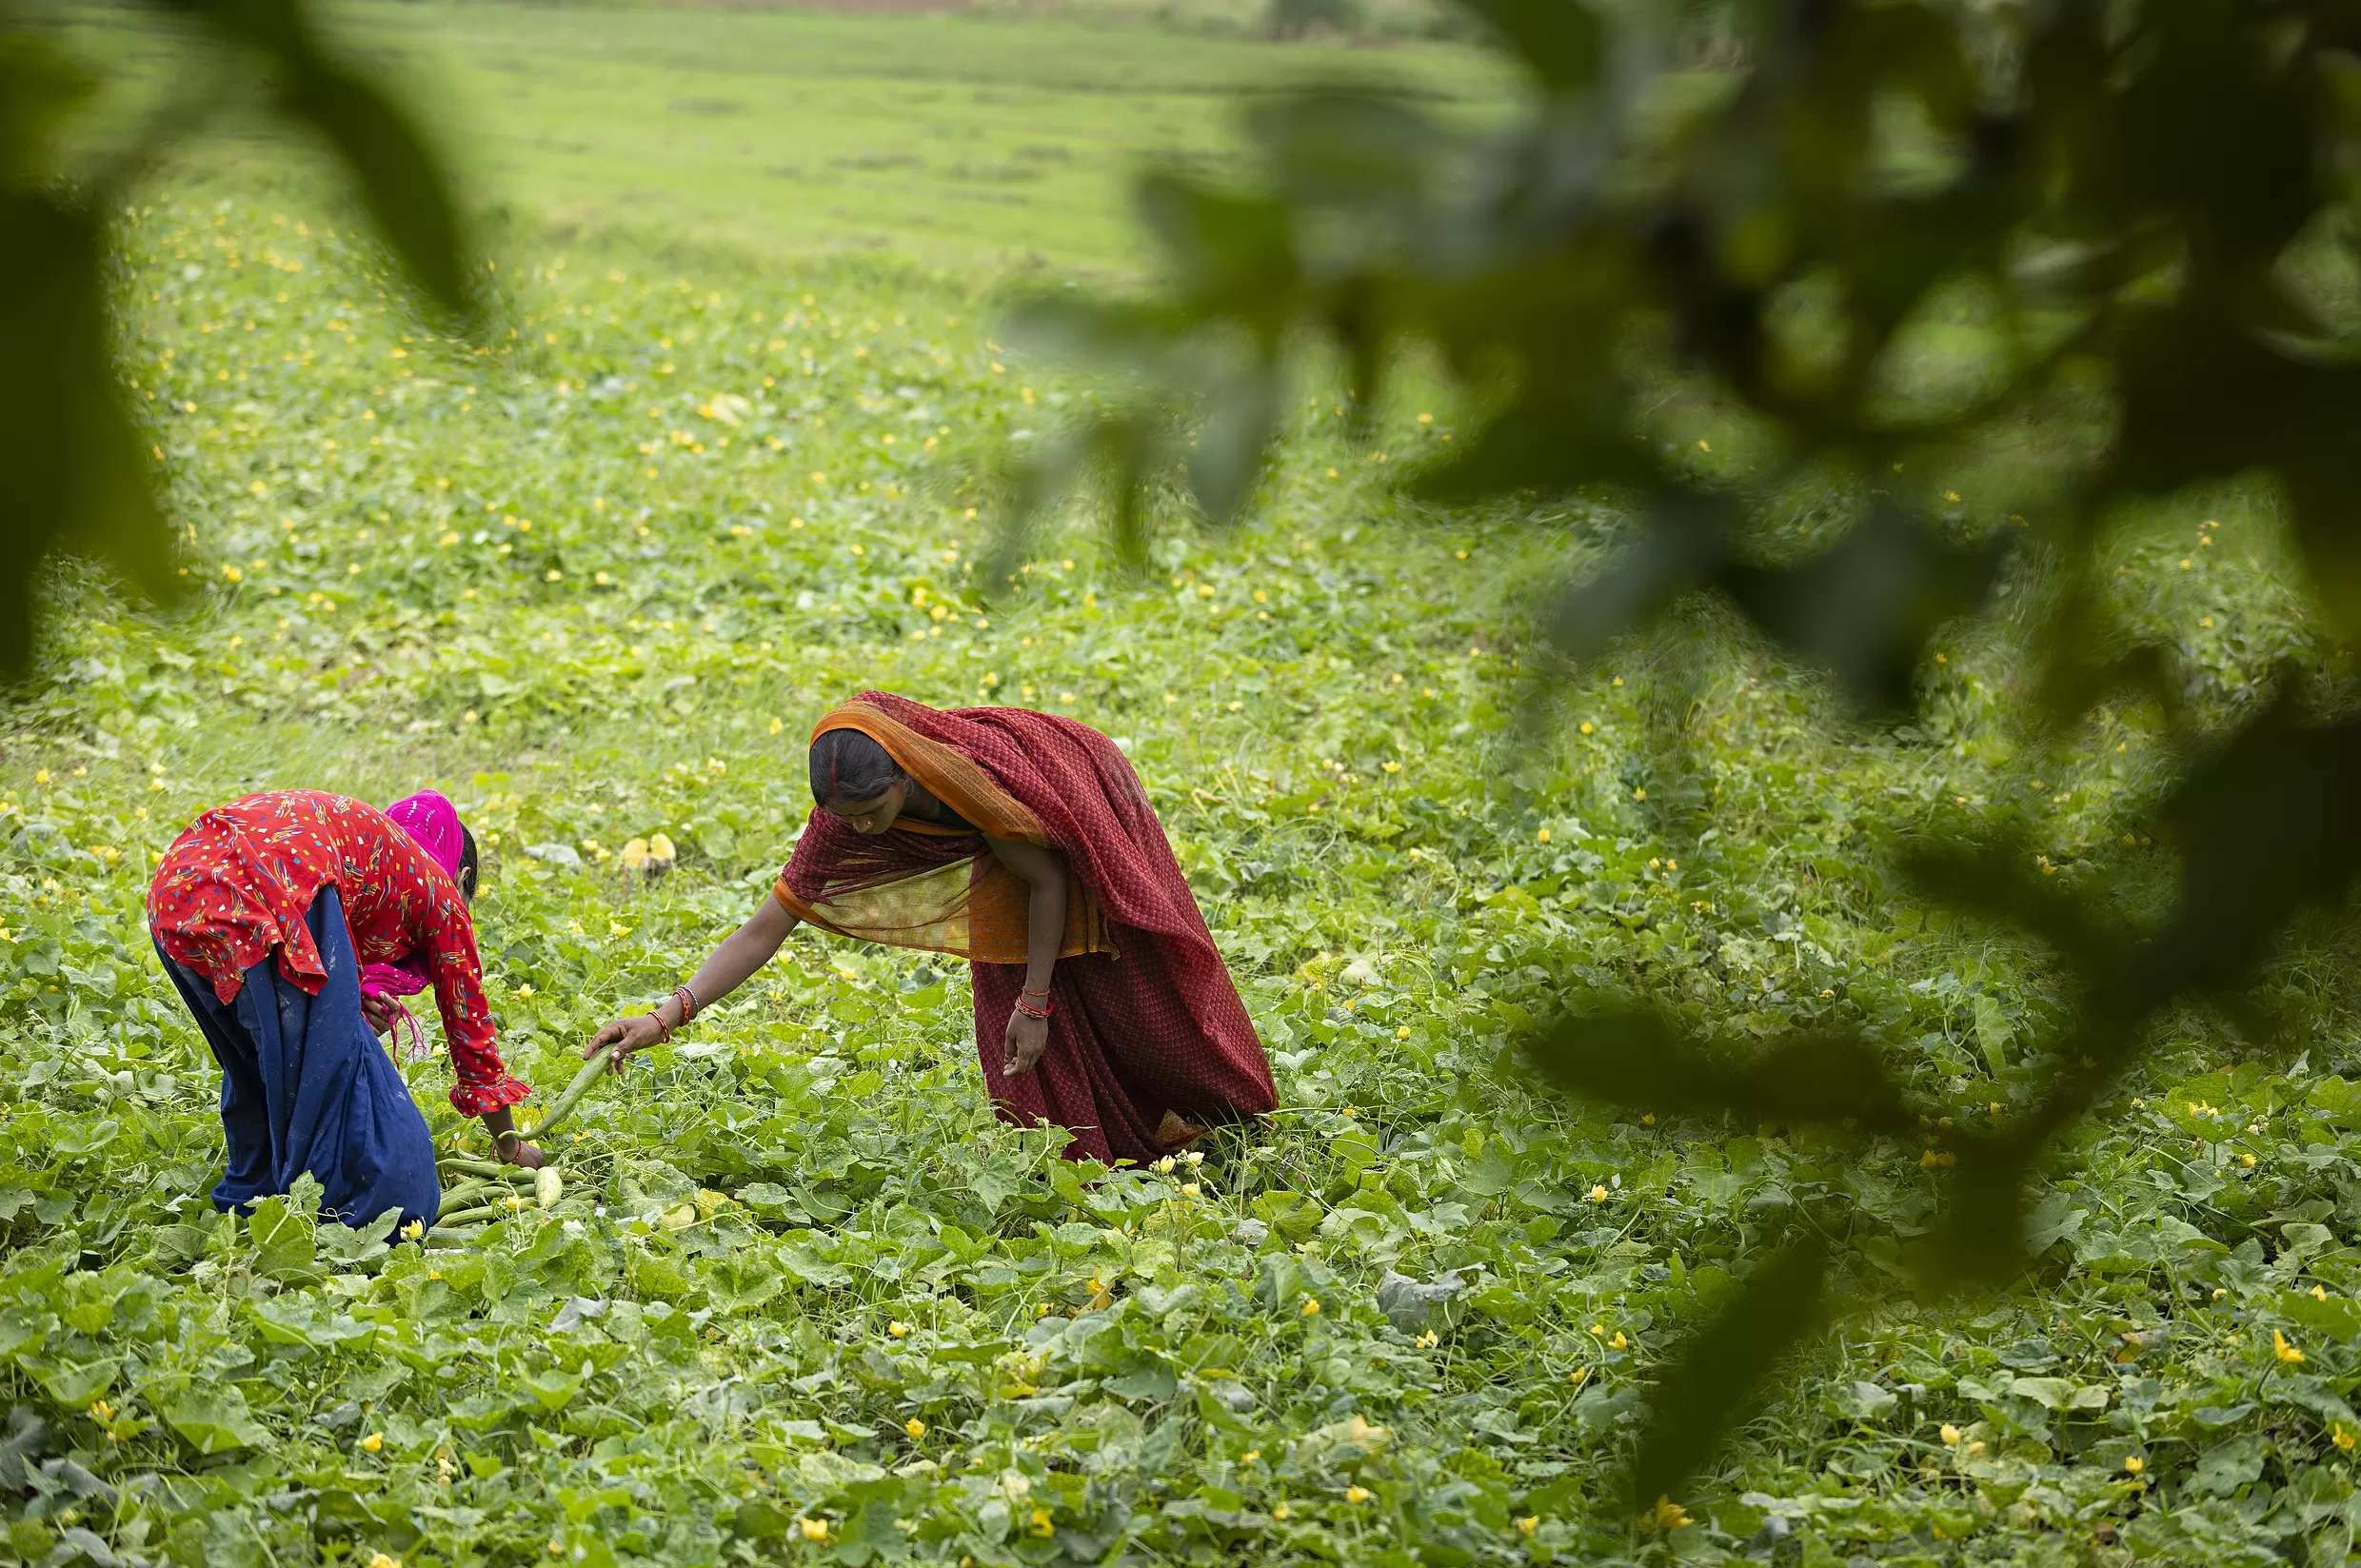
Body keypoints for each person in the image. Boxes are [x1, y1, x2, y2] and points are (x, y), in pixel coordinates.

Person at [585, 692, 1278, 1164]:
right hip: (1017, 851)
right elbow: (766, 928)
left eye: (871, 813)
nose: (859, 830)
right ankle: (1091, 1159)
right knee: (1010, 1017)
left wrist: (1038, 1002)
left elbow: (1047, 878)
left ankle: (1225, 1113)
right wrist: (666, 1015)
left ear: (905, 776)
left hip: (1074, 792)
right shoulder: (844, 811)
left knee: (1129, 984)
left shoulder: (964, 784)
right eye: (845, 819)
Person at [149, 789, 544, 1231]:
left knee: (257, 1066)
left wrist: (346, 1011)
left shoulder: (374, 856)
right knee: (398, 1180)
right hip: (264, 886)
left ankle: (254, 1206)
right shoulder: (439, 889)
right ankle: (335, 1224)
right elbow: (473, 1042)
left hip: (178, 884)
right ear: (462, 876)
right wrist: (511, 1147)